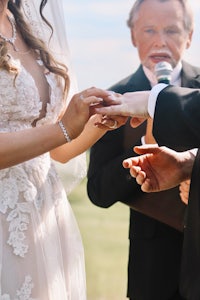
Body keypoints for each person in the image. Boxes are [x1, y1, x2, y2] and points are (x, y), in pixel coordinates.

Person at [0, 1, 127, 299]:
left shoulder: (26, 23)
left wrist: (98, 121)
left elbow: (57, 150)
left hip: (46, 222)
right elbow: (59, 132)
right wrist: (63, 129)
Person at [87, 0, 200, 299]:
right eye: (149, 29)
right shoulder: (114, 99)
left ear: (189, 37)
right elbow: (98, 192)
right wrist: (140, 156)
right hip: (152, 269)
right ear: (134, 35)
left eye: (172, 30)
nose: (160, 41)